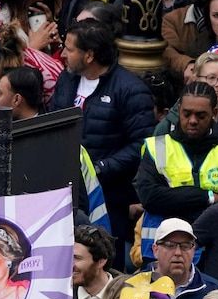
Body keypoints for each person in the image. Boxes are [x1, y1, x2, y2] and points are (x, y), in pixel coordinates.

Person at [48, 21, 156, 250]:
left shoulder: (130, 89)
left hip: (109, 197)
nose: (63, 53)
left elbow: (142, 144)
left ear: (89, 56)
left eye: (69, 49)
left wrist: (100, 168)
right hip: (63, 192)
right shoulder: (66, 80)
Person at [135, 83, 218, 263]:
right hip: (159, 253)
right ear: (179, 110)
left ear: (214, 113)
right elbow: (150, 198)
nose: (192, 120)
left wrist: (172, 199)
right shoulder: (156, 147)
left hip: (211, 254)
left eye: (200, 115)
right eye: (186, 113)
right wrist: (207, 198)